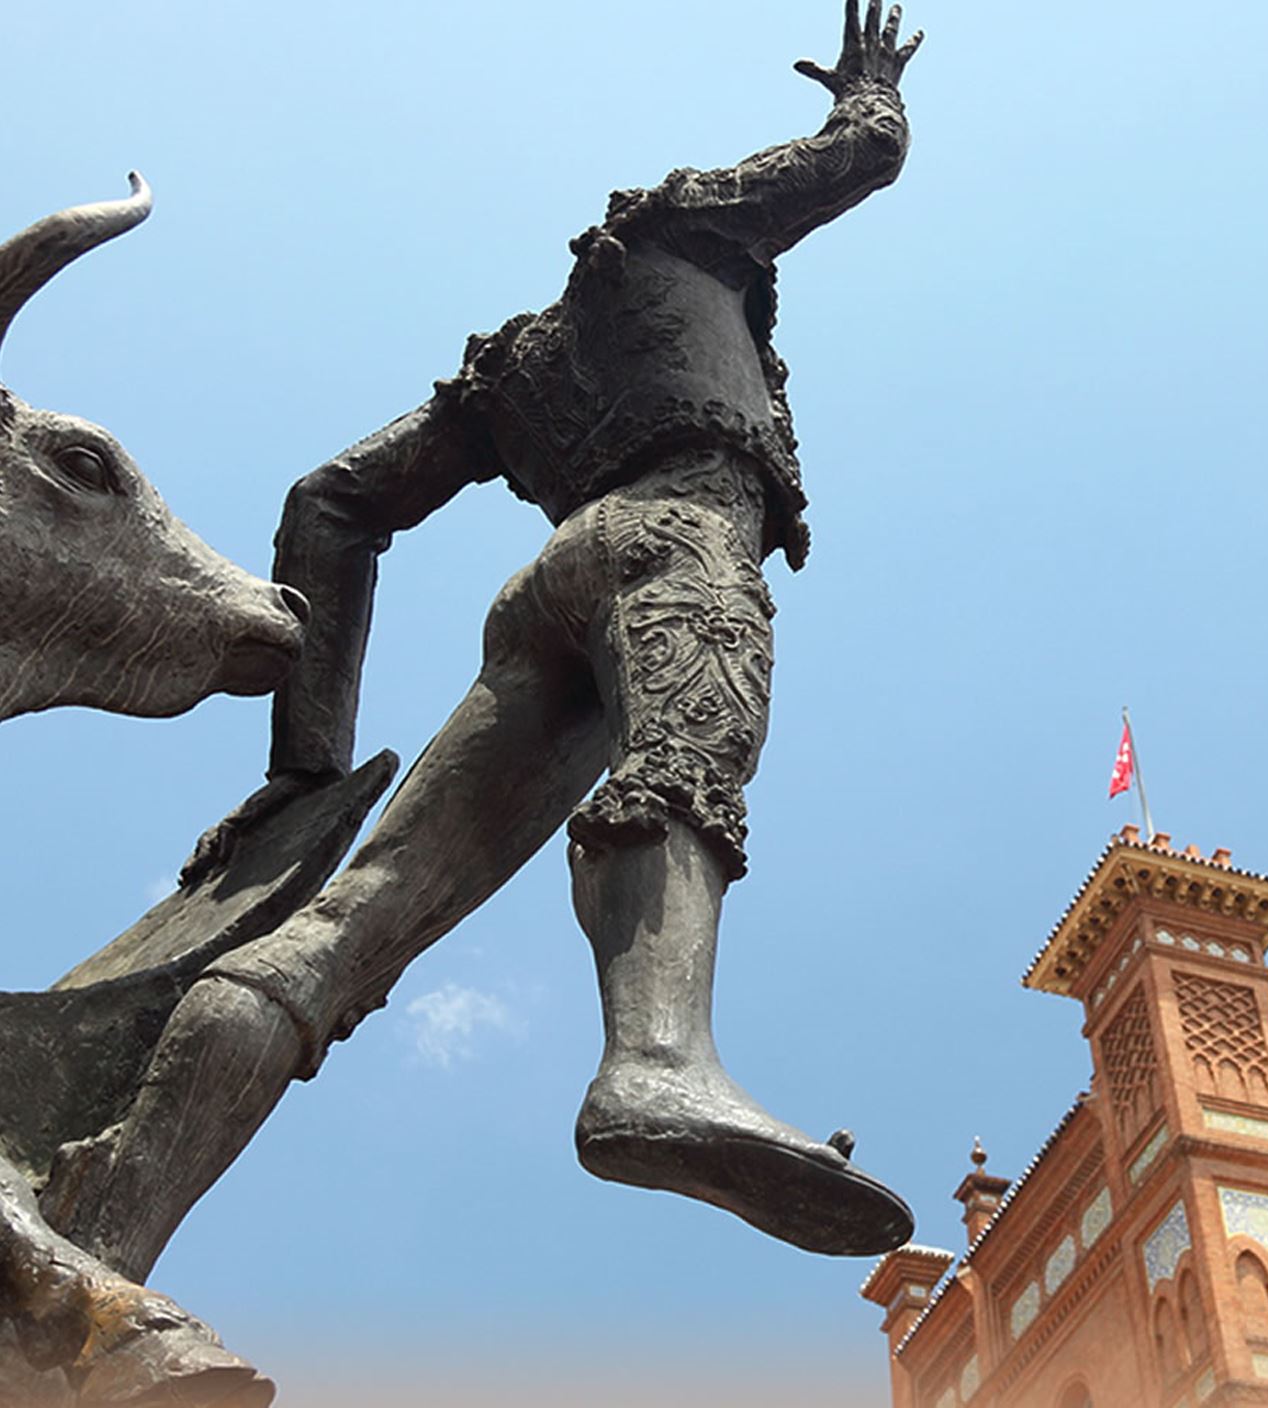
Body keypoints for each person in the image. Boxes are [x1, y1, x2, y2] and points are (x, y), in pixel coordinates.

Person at [56, 0, 924, 1280]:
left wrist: (303, 764)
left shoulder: (514, 367)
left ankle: (94, 1248)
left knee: (349, 924)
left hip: (540, 599)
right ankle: (658, 1063)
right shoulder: (688, 225)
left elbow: (330, 504)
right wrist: (872, 97)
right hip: (676, 542)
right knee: (682, 768)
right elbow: (861, 158)